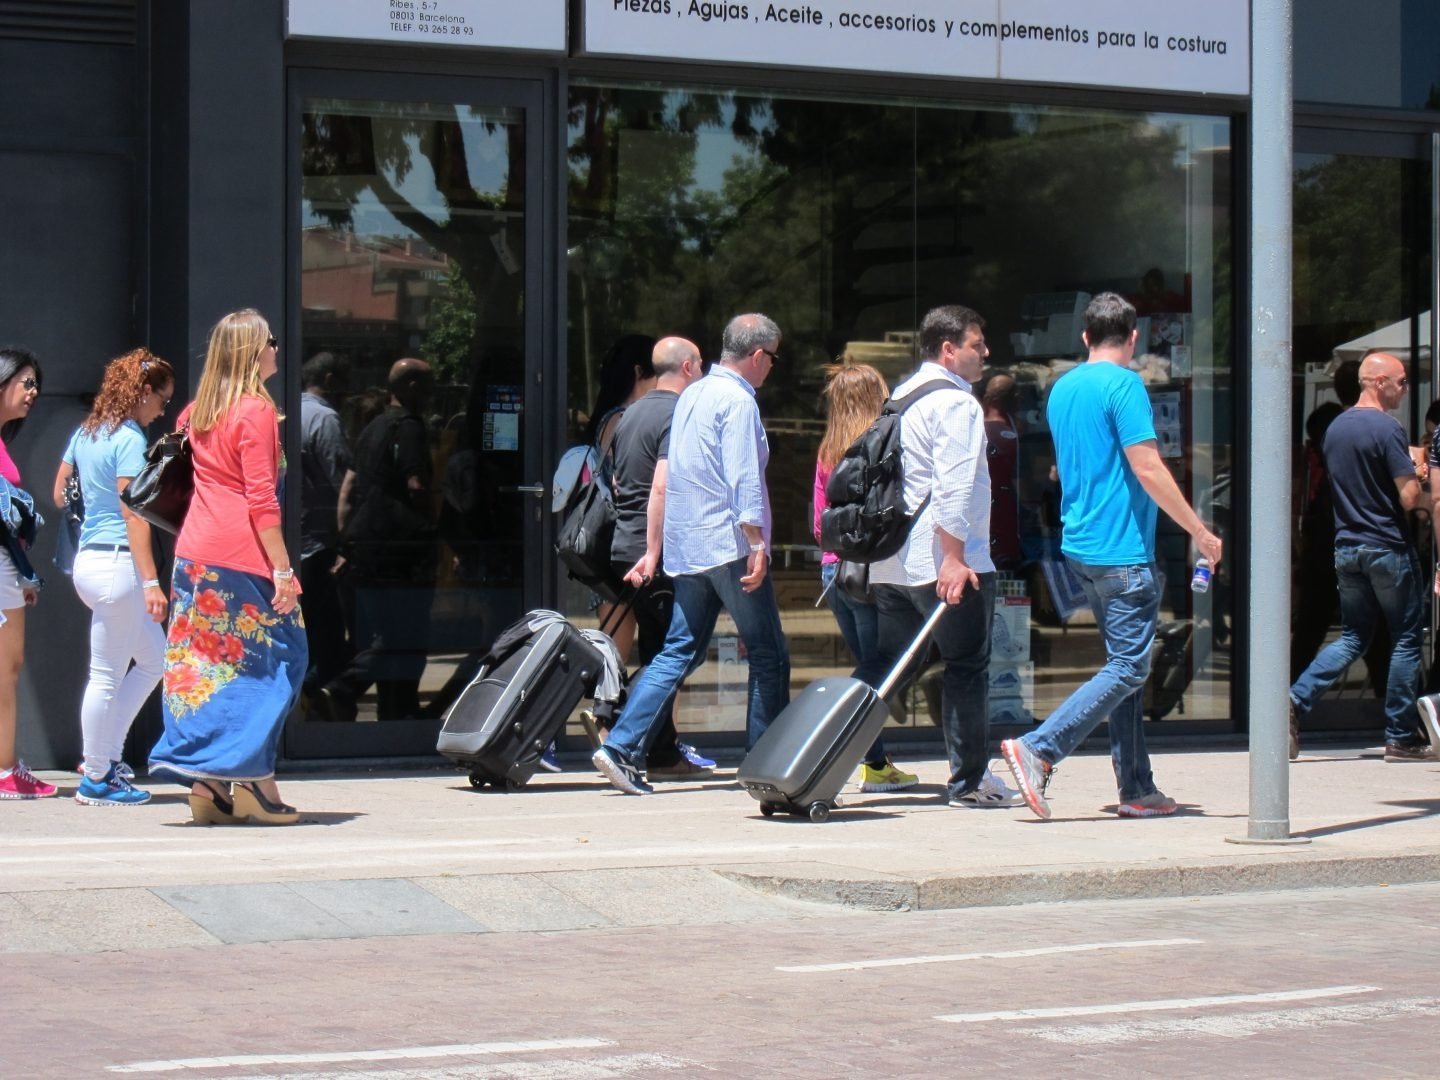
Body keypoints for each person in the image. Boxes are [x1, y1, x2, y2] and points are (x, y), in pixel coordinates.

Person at [1001, 292, 1222, 819]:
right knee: (1128, 666)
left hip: (1081, 545)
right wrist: (1200, 531)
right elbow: (1146, 466)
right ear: (1133, 336)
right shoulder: (1125, 385)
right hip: (1122, 548)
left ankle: (1137, 787)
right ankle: (1039, 749)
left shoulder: (1063, 388)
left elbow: (1071, 464)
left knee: (1125, 668)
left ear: (1084, 336)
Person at [592, 313, 790, 795]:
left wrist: (660, 548)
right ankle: (766, 766)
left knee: (677, 651)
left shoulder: (693, 395)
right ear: (759, 356)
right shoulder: (737, 400)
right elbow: (743, 473)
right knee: (769, 655)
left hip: (690, 545)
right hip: (729, 543)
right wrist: (757, 540)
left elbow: (668, 478)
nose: (771, 370)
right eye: (773, 360)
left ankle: (619, 746)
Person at [851, 306, 1018, 807]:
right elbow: (954, 484)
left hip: (892, 560)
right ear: (949, 349)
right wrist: (953, 558)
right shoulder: (957, 404)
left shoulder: (901, 397)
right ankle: (969, 783)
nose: (985, 352)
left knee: (887, 663)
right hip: (941, 560)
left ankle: (826, 740)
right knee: (967, 665)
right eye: (977, 344)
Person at [148, 310, 307, 825]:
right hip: (242, 556)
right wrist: (283, 571)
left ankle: (209, 784)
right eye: (270, 342)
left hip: (194, 555)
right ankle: (257, 784)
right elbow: (261, 499)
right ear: (250, 352)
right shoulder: (255, 411)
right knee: (279, 661)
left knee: (207, 668)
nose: (276, 350)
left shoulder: (196, 412)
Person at [1290, 351, 1432, 764]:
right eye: (1401, 382)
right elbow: (1406, 497)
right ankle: (1401, 735)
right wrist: (1429, 495)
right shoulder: (1387, 429)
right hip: (1386, 544)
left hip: (1347, 545)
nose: (1405, 390)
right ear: (1378, 381)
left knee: (1354, 635)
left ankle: (1295, 700)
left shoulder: (1335, 429)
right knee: (1406, 637)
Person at [53, 349, 175, 806]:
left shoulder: (87, 433)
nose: (162, 410)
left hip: (90, 562)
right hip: (119, 568)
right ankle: (97, 776)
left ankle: (106, 760)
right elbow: (135, 515)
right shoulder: (127, 438)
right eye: (161, 400)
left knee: (152, 661)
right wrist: (151, 582)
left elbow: (60, 493)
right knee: (105, 675)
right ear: (143, 393)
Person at [610, 335, 713, 781]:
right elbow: (663, 486)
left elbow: (617, 482)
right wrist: (655, 551)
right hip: (657, 550)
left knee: (659, 649)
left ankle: (660, 748)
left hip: (625, 542)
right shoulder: (677, 414)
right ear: (688, 368)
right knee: (677, 651)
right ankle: (622, 731)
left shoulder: (630, 414)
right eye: (702, 366)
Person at [813, 361, 919, 794]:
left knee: (872, 671)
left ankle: (875, 765)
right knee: (884, 671)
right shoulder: (884, 447)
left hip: (834, 572)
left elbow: (820, 526)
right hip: (876, 571)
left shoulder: (826, 452)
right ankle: (837, 747)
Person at [326, 358, 437, 722]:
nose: (432, 393)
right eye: (427, 385)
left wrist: (346, 541)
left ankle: (397, 710)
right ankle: (347, 687)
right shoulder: (409, 428)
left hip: (366, 547)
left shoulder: (371, 428)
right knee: (403, 637)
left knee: (385, 631)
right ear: (412, 388)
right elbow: (416, 485)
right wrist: (436, 528)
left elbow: (348, 489)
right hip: (401, 551)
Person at [0, 348, 49, 799]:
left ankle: (6, 767)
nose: (33, 392)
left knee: (7, 667)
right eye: (26, 382)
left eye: (36, 384)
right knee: (5, 668)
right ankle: (4, 771)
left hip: (8, 567)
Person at [298, 351, 351, 698]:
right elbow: (341, 481)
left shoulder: (287, 412)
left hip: (292, 540)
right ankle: (317, 698)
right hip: (319, 542)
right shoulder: (325, 419)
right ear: (330, 380)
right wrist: (345, 540)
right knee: (327, 631)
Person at [979, 371, 1024, 571]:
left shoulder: (1010, 427)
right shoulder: (1008, 433)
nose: (1019, 399)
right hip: (1001, 505)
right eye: (1014, 394)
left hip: (1002, 505)